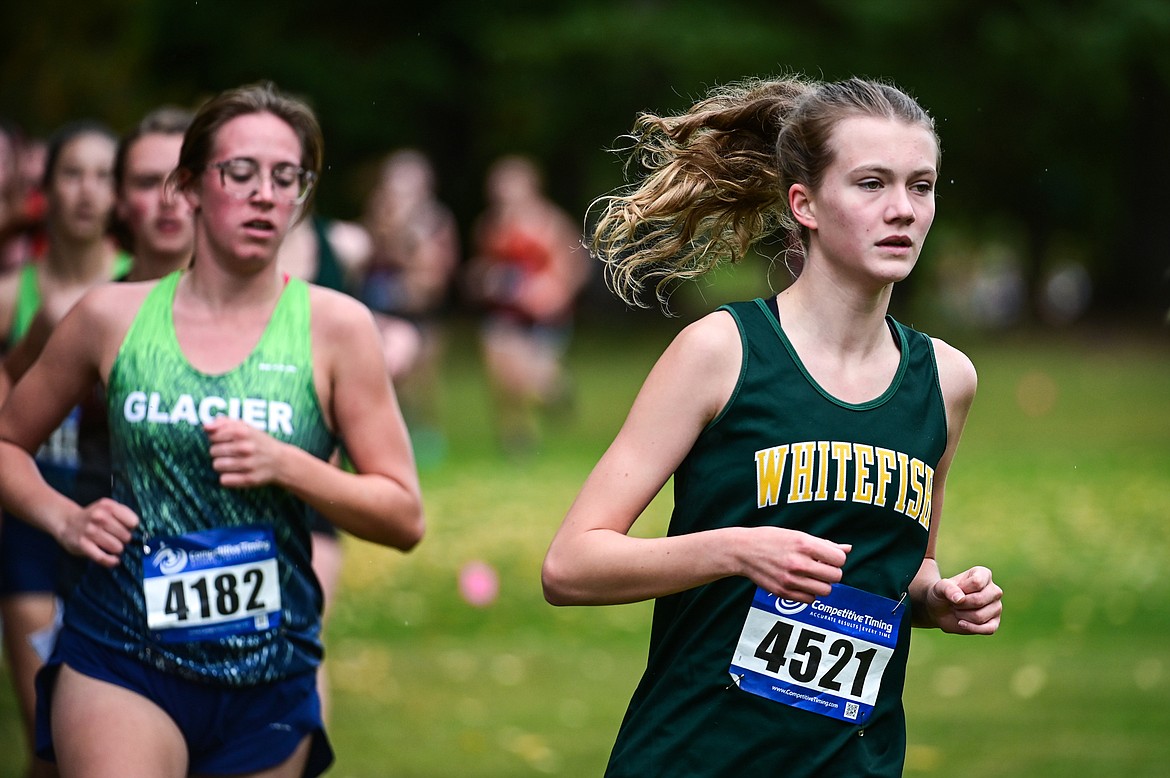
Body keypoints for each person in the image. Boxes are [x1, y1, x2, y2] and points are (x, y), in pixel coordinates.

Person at [541, 76, 1003, 777]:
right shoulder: (722, 352)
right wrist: (735, 550)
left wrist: (938, 598)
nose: (902, 210)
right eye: (872, 183)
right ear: (804, 204)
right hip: (696, 758)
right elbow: (571, 564)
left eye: (921, 185)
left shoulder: (946, 380)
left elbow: (905, 566)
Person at [0, 81, 424, 777]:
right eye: (241, 173)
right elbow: (8, 441)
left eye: (285, 178)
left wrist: (290, 465)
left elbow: (403, 514)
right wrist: (63, 518)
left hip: (269, 677)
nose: (265, 194)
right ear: (189, 187)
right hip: (121, 654)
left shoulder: (338, 328)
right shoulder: (112, 317)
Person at [0, 118, 127, 778]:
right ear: (45, 189)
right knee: (46, 738)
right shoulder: (13, 297)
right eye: (71, 173)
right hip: (34, 510)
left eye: (104, 175)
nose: (87, 191)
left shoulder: (146, 289)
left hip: (119, 512)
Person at [465, 155, 588, 453]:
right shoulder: (489, 226)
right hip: (504, 313)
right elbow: (480, 269)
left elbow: (576, 265)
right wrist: (484, 279)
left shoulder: (549, 222)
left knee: (533, 378)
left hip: (543, 317)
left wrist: (553, 292)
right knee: (502, 375)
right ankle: (517, 441)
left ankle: (555, 392)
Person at [358, 149, 459, 462]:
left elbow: (436, 269)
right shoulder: (378, 213)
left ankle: (427, 435)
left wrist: (405, 235)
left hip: (423, 310)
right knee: (387, 376)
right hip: (383, 308)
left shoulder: (436, 220)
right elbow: (366, 252)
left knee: (422, 378)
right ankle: (392, 438)